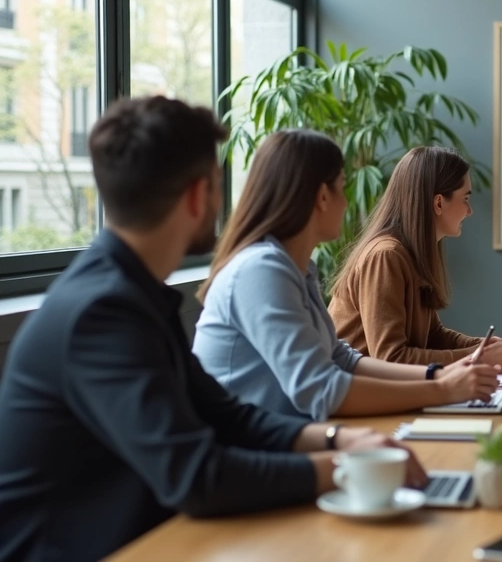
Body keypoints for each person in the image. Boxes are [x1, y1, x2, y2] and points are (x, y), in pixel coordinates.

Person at [0, 97, 427, 562]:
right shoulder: (102, 314)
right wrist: (348, 466)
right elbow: (198, 477)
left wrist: (338, 440)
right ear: (197, 195)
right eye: (219, 183)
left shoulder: (130, 293)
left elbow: (227, 416)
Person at [194, 131, 500, 421]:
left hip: (288, 434)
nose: (347, 202)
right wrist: (443, 388)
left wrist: (442, 376)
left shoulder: (298, 270)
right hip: (251, 450)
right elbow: (322, 390)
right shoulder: (261, 271)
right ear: (322, 197)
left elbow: (342, 359)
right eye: (342, 187)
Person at [328, 146, 502, 369]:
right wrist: (479, 358)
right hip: (356, 396)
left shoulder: (412, 253)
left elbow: (433, 335)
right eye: (465, 199)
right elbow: (390, 359)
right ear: (438, 203)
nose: (470, 211)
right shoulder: (385, 256)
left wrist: (485, 347)